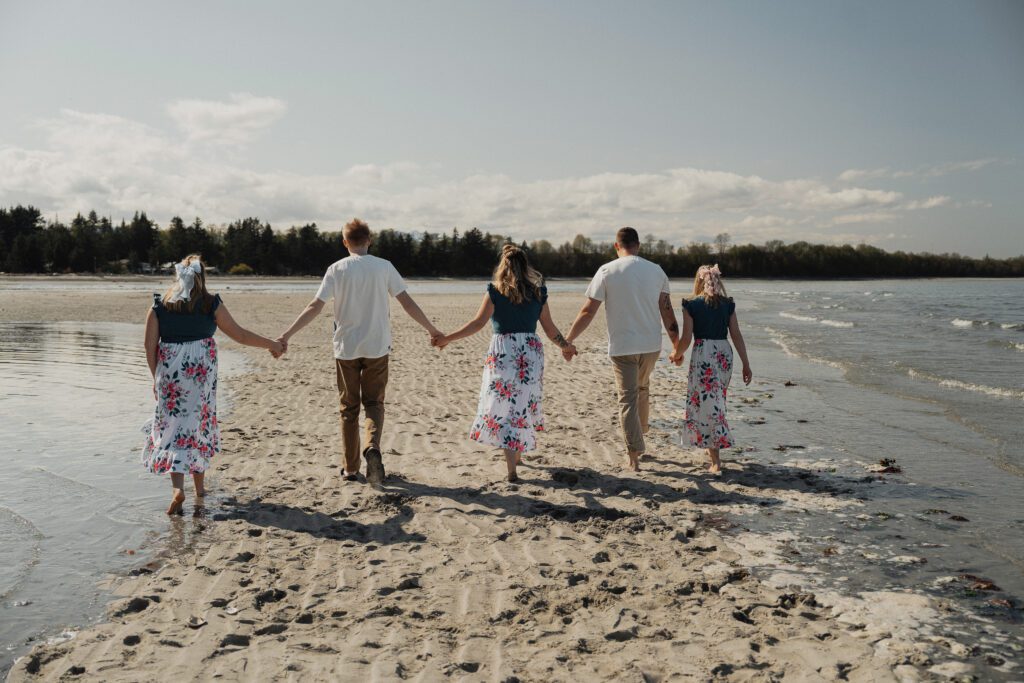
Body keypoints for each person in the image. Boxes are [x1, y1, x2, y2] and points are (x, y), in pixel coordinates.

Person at [277, 219, 441, 486]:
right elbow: (407, 302)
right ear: (370, 240)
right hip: (377, 346)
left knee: (348, 408)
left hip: (346, 348)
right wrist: (432, 329)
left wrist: (286, 335)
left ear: (345, 243)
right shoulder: (384, 267)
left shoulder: (336, 269)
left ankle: (351, 468)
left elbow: (315, 306)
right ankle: (372, 446)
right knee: (374, 403)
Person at [143, 254, 284, 516]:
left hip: (170, 378)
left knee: (174, 430)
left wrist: (156, 378)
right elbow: (240, 335)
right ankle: (199, 490)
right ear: (202, 277)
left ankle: (178, 489)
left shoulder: (159, 306)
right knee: (198, 426)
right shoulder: (211, 304)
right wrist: (272, 344)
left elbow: (149, 345)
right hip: (200, 377)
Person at [433, 244, 576, 482]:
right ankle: (515, 460)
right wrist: (566, 346)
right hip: (530, 353)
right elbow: (550, 329)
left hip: (504, 352)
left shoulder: (495, 291)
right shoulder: (538, 292)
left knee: (506, 405)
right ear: (525, 266)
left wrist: (447, 338)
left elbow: (477, 324)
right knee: (521, 404)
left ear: (504, 266)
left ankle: (513, 468)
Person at [564, 227, 678, 471]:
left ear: (617, 246)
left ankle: (634, 455)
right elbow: (666, 310)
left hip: (623, 346)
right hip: (651, 345)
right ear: (638, 245)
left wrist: (569, 340)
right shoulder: (656, 271)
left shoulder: (607, 271)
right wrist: (677, 346)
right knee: (642, 387)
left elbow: (588, 311)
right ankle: (641, 434)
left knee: (628, 397)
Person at [668, 264, 752, 475]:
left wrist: (676, 354)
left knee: (710, 404)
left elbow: (687, 338)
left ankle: (716, 461)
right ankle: (711, 448)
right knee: (715, 401)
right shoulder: (727, 304)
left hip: (704, 354)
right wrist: (745, 363)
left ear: (698, 282)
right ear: (718, 282)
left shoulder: (691, 305)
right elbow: (736, 335)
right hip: (724, 354)